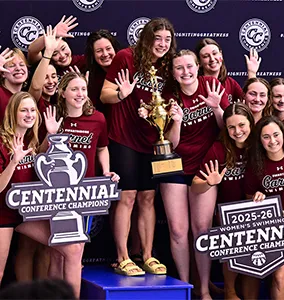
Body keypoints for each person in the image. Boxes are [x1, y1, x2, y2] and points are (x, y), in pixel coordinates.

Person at [16, 72, 119, 298]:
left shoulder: (98, 119)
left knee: (76, 250)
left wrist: (106, 170)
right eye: (74, 89)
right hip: (55, 194)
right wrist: (50, 134)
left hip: (85, 195)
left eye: (83, 89)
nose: (80, 94)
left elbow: (102, 148)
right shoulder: (50, 116)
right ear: (62, 93)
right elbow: (39, 155)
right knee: (57, 251)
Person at [101, 17, 177, 276]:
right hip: (123, 137)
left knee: (148, 197)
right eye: (158, 38)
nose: (163, 44)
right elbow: (104, 95)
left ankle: (146, 255)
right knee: (127, 196)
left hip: (152, 140)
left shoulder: (168, 66)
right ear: (147, 37)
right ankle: (122, 256)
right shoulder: (126, 57)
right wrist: (122, 93)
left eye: (167, 39)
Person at [154, 49, 229, 299]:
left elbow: (225, 129)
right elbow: (171, 144)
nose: (185, 72)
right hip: (175, 167)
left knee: (202, 230)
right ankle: (184, 287)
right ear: (173, 74)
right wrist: (177, 120)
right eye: (179, 68)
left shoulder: (211, 85)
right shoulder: (168, 96)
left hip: (205, 166)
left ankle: (204, 290)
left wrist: (217, 109)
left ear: (198, 67)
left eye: (189, 66)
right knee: (177, 230)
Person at [191, 103, 255, 299]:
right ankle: (229, 291)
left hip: (254, 208)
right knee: (232, 237)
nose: (237, 131)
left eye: (242, 125)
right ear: (225, 129)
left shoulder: (259, 145)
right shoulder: (219, 148)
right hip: (228, 212)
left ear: (251, 124)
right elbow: (195, 185)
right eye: (231, 127)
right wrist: (210, 183)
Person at [245, 115, 284, 300]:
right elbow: (249, 199)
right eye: (266, 137)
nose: (272, 141)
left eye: (276, 134)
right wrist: (258, 199)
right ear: (260, 140)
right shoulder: (256, 165)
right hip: (273, 229)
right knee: (278, 277)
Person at [0, 92, 40, 286]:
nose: (29, 114)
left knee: (65, 245)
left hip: (25, 213)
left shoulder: (32, 141)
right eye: (23, 110)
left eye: (33, 110)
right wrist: (13, 162)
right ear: (12, 113)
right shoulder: (1, 142)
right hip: (3, 215)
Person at [195, 38, 261, 104]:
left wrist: (252, 73)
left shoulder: (230, 83)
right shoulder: (195, 85)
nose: (212, 59)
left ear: (221, 55)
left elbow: (248, 103)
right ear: (199, 62)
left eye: (214, 53)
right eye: (206, 56)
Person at [85, 29, 122, 112]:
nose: (105, 54)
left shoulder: (126, 69)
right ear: (93, 55)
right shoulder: (90, 75)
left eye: (108, 48)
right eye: (99, 51)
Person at [0, 48, 28, 123]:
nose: (18, 68)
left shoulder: (26, 98)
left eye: (22, 64)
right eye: (12, 65)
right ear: (2, 73)